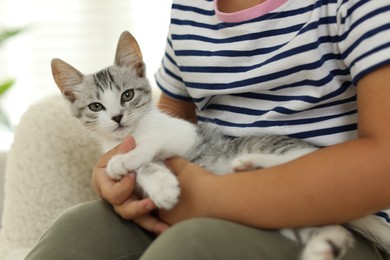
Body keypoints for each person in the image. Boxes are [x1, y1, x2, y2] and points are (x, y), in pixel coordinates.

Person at [26, 0, 390, 259]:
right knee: (76, 230)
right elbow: (168, 116)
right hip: (202, 178)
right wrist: (113, 168)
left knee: (191, 246)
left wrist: (209, 198)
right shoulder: (190, 9)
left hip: (332, 210)